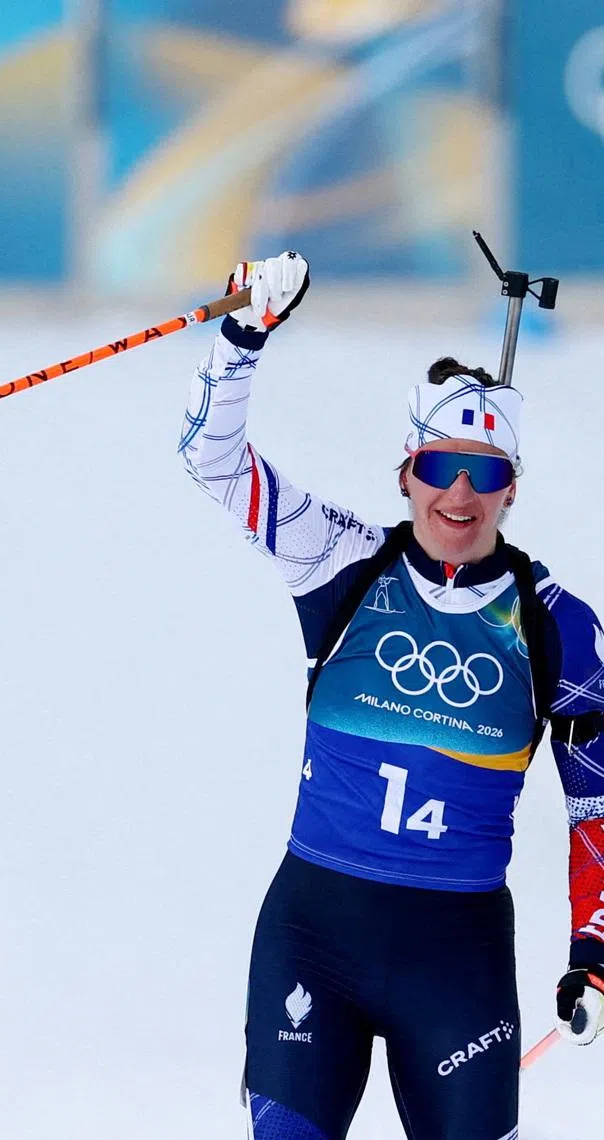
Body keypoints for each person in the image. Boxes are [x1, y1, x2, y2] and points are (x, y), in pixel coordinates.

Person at [179, 252, 604, 1140]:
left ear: (512, 490)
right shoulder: (339, 560)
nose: (460, 494)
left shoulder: (560, 625)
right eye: (442, 466)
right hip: (316, 936)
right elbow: (212, 462)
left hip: (457, 962)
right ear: (405, 472)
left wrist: (594, 954)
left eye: (486, 474)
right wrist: (244, 335)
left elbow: (596, 808)